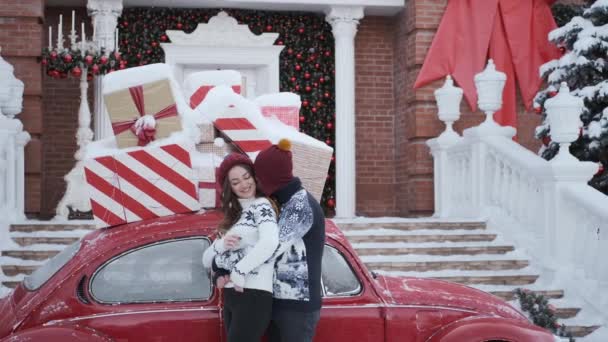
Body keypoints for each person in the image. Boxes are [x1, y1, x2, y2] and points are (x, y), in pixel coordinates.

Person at [253, 138, 326, 342]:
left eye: (259, 175)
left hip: (297, 309)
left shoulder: (301, 206)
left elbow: (271, 248)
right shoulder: (286, 201)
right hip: (282, 303)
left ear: (270, 176)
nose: (256, 181)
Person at [202, 152, 279, 342]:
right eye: (236, 182)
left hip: (253, 293)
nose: (244, 185)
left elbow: (270, 242)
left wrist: (238, 270)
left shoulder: (262, 206)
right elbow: (206, 260)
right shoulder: (237, 216)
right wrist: (221, 244)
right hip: (232, 296)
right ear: (230, 188)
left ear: (254, 177)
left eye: (246, 177)